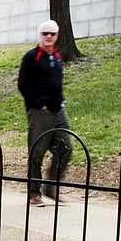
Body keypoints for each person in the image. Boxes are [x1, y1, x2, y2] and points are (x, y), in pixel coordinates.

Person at [17, 20, 73, 207]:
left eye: (52, 34)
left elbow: (56, 82)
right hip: (40, 113)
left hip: (59, 111)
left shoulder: (57, 56)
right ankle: (34, 193)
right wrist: (38, 104)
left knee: (66, 148)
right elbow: (23, 84)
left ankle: (52, 187)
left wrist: (61, 100)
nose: (48, 37)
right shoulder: (31, 57)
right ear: (40, 36)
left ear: (57, 36)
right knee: (37, 153)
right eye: (45, 34)